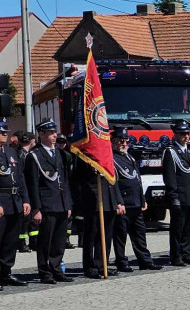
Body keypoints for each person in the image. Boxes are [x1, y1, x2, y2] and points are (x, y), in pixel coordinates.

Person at [24, 120, 74, 284]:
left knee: (59, 241)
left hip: (60, 202)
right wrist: (36, 208)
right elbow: (33, 183)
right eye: (51, 133)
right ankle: (45, 272)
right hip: (46, 204)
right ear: (41, 134)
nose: (54, 136)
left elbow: (64, 181)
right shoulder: (35, 155)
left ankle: (56, 268)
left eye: (55, 133)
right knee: (46, 240)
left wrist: (67, 204)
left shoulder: (59, 154)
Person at [73, 134, 125, 279]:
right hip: (94, 200)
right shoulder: (85, 156)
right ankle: (90, 267)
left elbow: (113, 181)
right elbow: (79, 180)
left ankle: (102, 264)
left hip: (108, 199)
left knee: (106, 236)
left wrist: (118, 201)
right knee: (91, 235)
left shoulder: (107, 157)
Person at [110, 128, 160, 271]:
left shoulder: (129, 157)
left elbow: (137, 180)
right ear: (113, 142)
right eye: (121, 141)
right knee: (120, 236)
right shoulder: (112, 158)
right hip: (124, 203)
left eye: (126, 141)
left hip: (136, 202)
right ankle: (121, 261)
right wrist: (119, 202)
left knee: (139, 234)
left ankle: (145, 260)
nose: (124, 144)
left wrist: (142, 198)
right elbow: (114, 183)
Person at [163, 119, 190, 266]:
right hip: (180, 197)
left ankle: (186, 253)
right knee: (177, 229)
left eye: (187, 133)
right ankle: (176, 255)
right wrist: (174, 198)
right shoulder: (171, 152)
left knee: (189, 228)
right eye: (183, 134)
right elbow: (170, 177)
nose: (186, 136)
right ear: (176, 134)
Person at [0, 121, 30, 290]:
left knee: (10, 240)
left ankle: (6, 273)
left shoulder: (11, 152)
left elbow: (20, 178)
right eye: (1, 132)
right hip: (1, 200)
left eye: (5, 132)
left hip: (14, 200)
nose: (4, 134)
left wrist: (25, 200)